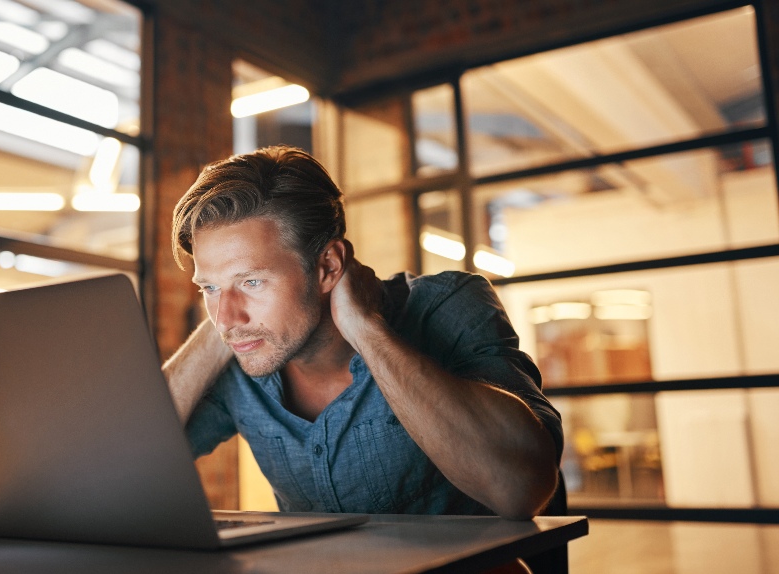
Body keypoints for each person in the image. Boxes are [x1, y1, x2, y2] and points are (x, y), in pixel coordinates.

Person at [163, 145, 562, 521]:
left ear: (328, 267)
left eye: (251, 282)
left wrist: (367, 329)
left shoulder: (449, 305)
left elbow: (522, 488)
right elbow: (118, 462)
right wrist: (220, 325)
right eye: (208, 288)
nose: (226, 316)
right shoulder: (242, 355)